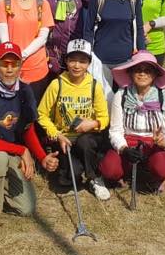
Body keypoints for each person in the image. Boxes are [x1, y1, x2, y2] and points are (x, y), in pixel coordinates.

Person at [0, 42, 60, 231]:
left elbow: (27, 129)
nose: (9, 69)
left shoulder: (25, 91)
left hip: (8, 153)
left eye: (14, 64)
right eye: (4, 64)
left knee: (26, 208)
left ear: (20, 66)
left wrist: (42, 157)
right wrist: (21, 150)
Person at [36, 39, 112, 200]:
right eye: (73, 60)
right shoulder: (57, 84)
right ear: (66, 61)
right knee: (68, 179)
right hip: (64, 139)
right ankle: (74, 170)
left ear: (89, 63)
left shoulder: (94, 85)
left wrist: (93, 123)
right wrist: (57, 135)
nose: (77, 66)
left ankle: (95, 177)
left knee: (86, 143)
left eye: (82, 61)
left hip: (87, 137)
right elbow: (41, 114)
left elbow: (104, 117)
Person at [100, 50, 165, 194]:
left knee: (162, 169)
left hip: (154, 143)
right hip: (128, 141)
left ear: (155, 74)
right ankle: (125, 170)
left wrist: (164, 142)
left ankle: (153, 174)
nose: (142, 74)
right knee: (109, 170)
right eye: (138, 70)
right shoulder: (120, 96)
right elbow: (115, 130)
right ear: (130, 73)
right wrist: (124, 149)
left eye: (147, 70)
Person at [79, 0, 146, 88]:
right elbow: (88, 30)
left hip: (127, 60)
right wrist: (87, 57)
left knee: (124, 103)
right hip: (100, 61)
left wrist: (142, 55)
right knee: (102, 103)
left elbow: (138, 28)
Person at [0, 0, 55, 100]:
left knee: (34, 112)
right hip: (10, 68)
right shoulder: (4, 4)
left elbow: (43, 37)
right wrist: (14, 59)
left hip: (37, 68)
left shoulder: (43, 4)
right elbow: (4, 40)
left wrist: (24, 54)